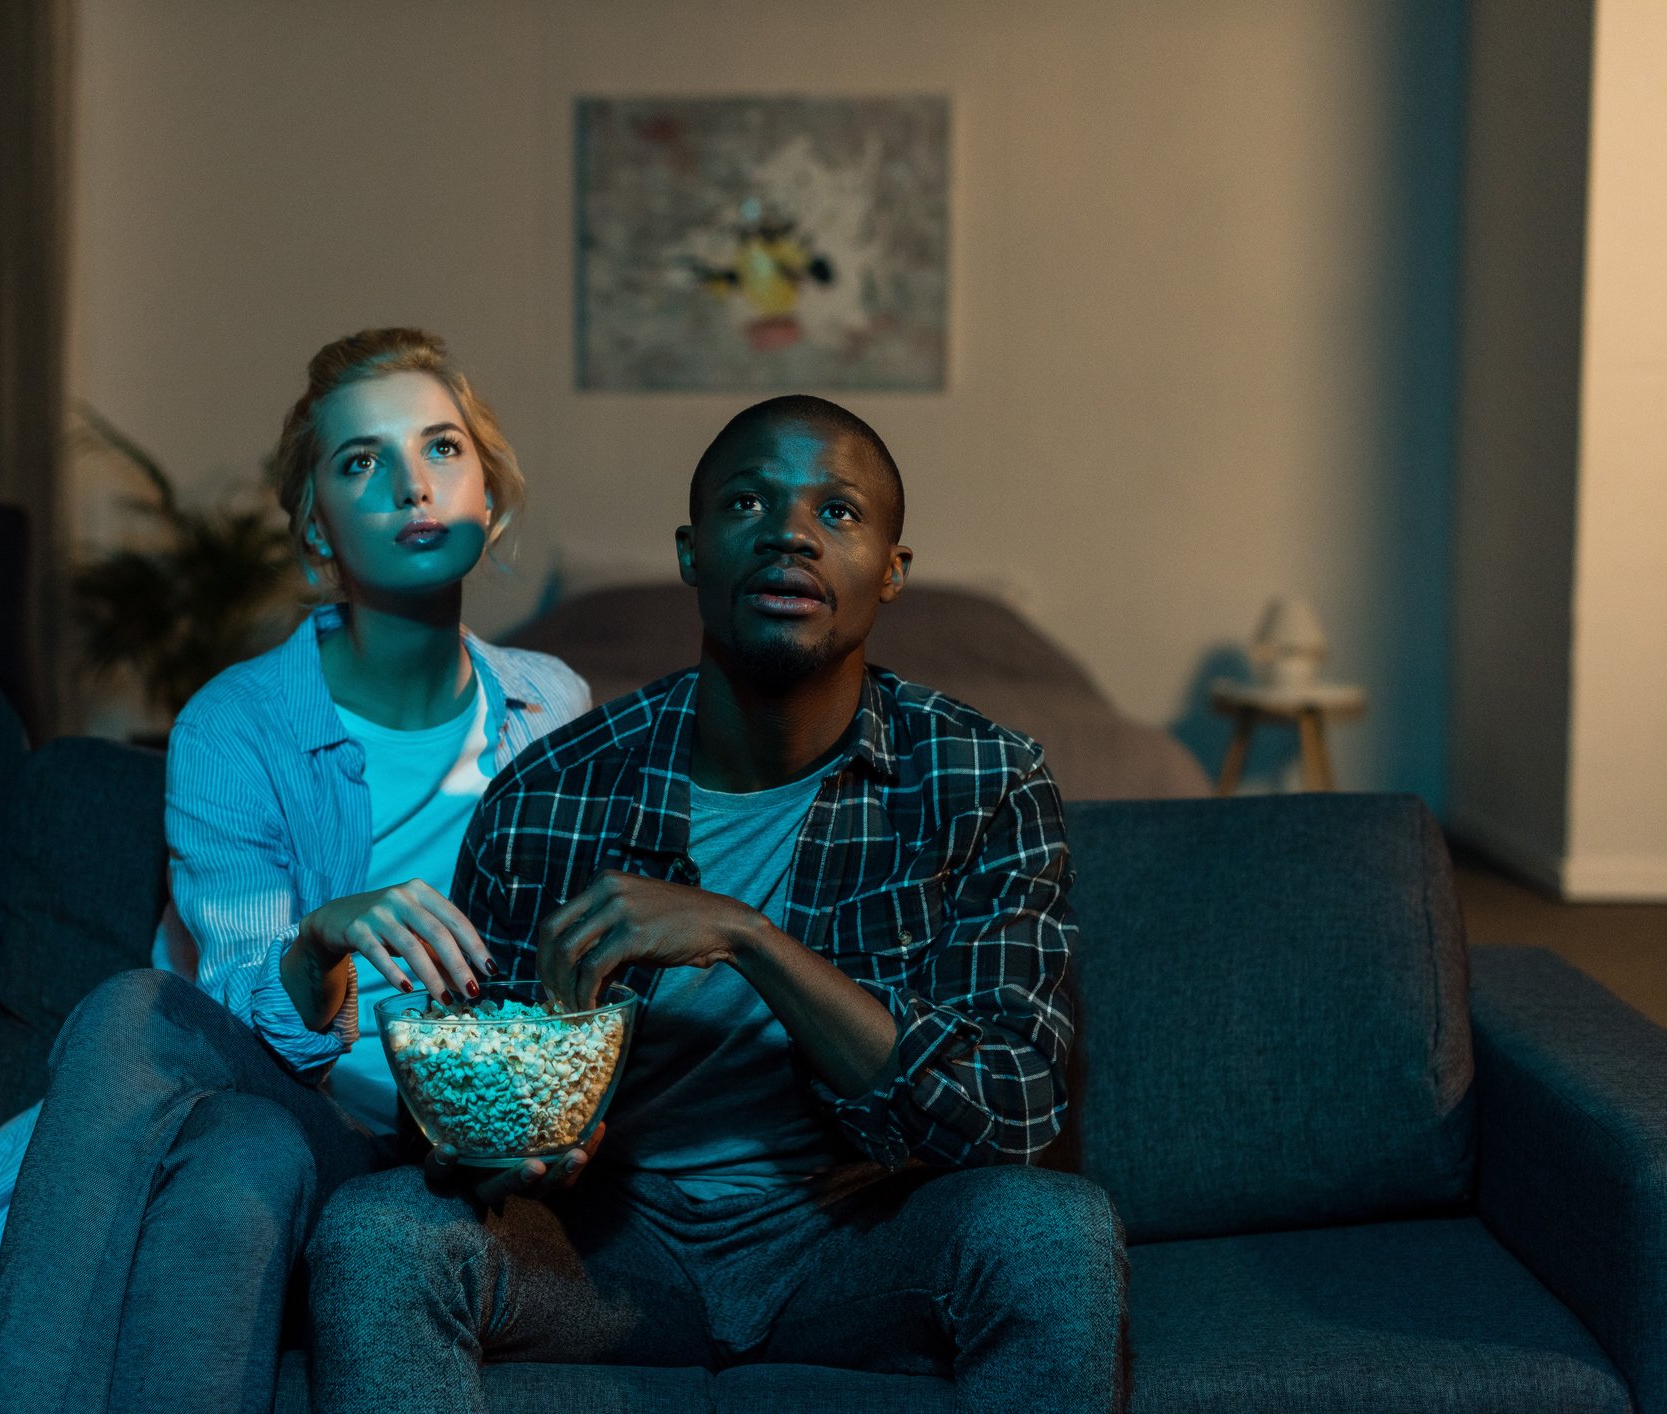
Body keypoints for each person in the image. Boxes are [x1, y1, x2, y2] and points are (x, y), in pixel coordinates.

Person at [304, 395, 1127, 1414]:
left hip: (857, 1241)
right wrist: (506, 1150)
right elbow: (477, 1098)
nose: (789, 533)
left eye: (837, 513)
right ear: (692, 554)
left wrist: (744, 937)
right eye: (749, 503)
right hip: (607, 1245)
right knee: (374, 1228)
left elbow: (1013, 1113)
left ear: (891, 569)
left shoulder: (981, 780)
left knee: (1053, 1226)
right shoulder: (553, 789)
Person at [0, 327, 590, 1414]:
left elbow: (568, 987)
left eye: (441, 449)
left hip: (423, 1151)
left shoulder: (553, 709)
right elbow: (234, 1008)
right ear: (314, 531)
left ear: (489, 496)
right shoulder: (235, 723)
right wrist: (319, 940)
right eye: (361, 464)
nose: (409, 483)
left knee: (233, 1181)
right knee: (134, 1012)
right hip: (277, 1084)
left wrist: (534, 1122)